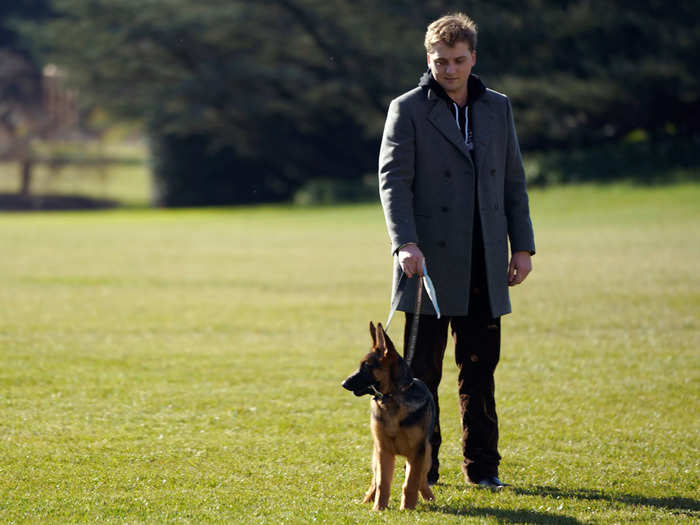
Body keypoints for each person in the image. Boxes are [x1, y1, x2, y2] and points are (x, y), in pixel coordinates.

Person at [378, 12, 535, 489]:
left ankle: (484, 470)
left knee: (480, 373)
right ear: (429, 59)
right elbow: (393, 183)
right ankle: (425, 471)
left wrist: (522, 247)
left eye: (458, 60)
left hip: (486, 263)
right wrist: (404, 243)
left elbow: (513, 182)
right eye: (440, 60)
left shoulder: (498, 108)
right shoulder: (406, 108)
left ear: (473, 59)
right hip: (427, 264)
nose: (449, 69)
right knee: (420, 377)